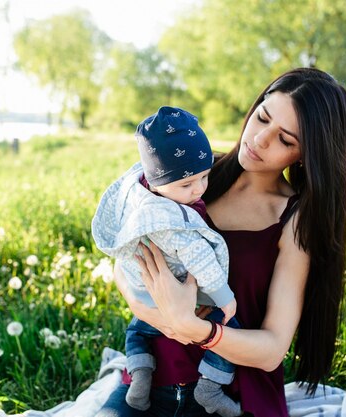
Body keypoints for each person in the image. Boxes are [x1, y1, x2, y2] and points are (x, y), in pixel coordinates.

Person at [96, 67, 346, 417]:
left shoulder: (295, 220)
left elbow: (272, 348)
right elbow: (125, 256)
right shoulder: (192, 175)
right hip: (150, 380)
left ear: (307, 154)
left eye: (285, 140)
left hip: (231, 397)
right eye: (262, 118)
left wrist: (195, 329)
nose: (260, 139)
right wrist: (164, 316)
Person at [91, 106, 242, 416]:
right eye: (187, 185)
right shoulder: (169, 220)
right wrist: (224, 298)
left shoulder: (139, 195)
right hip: (189, 295)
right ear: (156, 182)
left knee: (136, 331)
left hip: (148, 294)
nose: (199, 189)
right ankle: (211, 387)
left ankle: (140, 374)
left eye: (204, 176)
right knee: (229, 326)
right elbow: (200, 259)